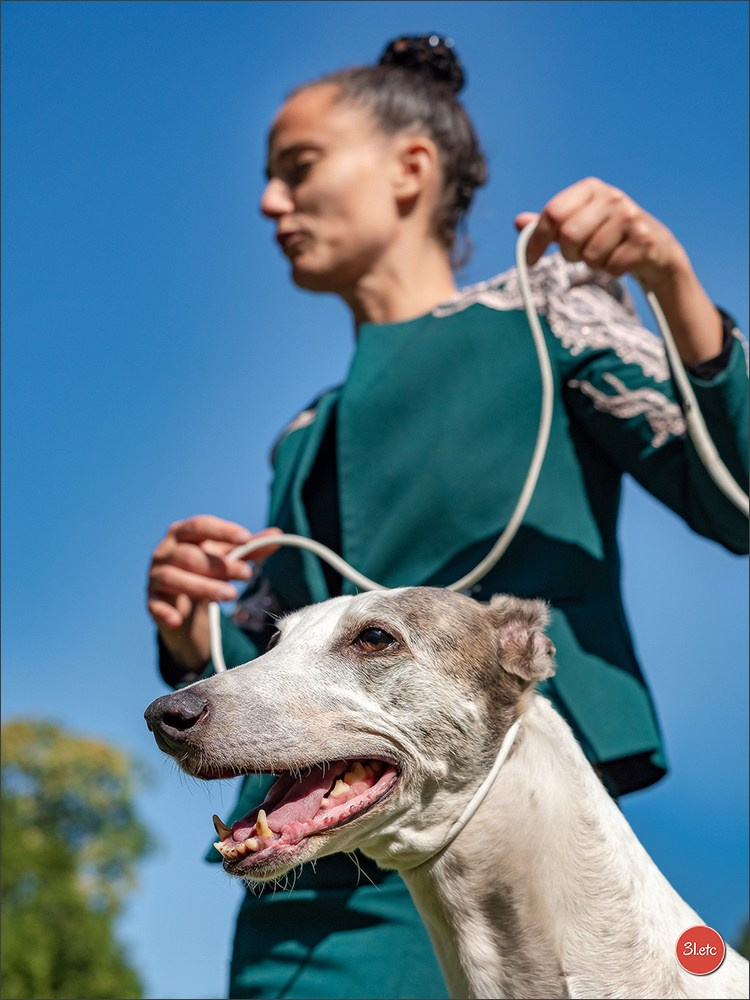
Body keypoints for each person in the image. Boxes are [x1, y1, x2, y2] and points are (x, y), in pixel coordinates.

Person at [146, 35, 748, 1000]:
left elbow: (740, 499)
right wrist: (191, 639)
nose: (269, 202)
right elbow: (285, 657)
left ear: (410, 170)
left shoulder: (546, 316)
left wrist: (674, 287)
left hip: (518, 857)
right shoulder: (303, 434)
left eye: (297, 169)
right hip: (310, 904)